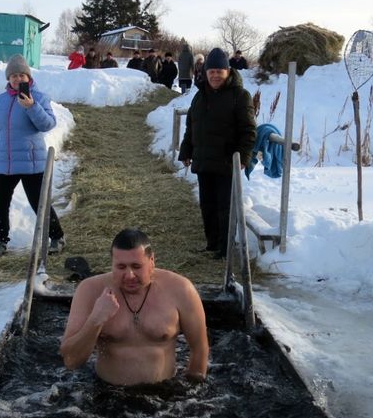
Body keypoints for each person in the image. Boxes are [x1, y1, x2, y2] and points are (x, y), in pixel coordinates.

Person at [60, 228, 209, 386]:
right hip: (106, 394)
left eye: (136, 266)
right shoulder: (90, 290)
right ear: (112, 264)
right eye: (121, 267)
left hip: (165, 396)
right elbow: (71, 361)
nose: (129, 275)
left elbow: (199, 348)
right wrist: (96, 319)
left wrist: (193, 393)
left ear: (151, 261)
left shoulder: (180, 289)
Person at [0, 54, 66, 259]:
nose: (18, 79)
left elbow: (47, 125)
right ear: (8, 79)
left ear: (28, 77)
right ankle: (0, 242)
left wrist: (31, 107)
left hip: (31, 162)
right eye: (13, 76)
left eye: (22, 75)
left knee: (39, 203)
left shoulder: (39, 97)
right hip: (5, 163)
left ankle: (57, 237)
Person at [177, 48, 256, 259]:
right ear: (206, 72)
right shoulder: (200, 96)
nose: (215, 75)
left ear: (228, 72)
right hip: (204, 161)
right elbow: (191, 127)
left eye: (220, 71)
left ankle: (225, 248)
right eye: (211, 71)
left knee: (225, 208)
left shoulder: (240, 96)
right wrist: (186, 151)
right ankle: (212, 243)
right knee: (207, 205)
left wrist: (243, 158)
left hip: (226, 162)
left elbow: (249, 131)